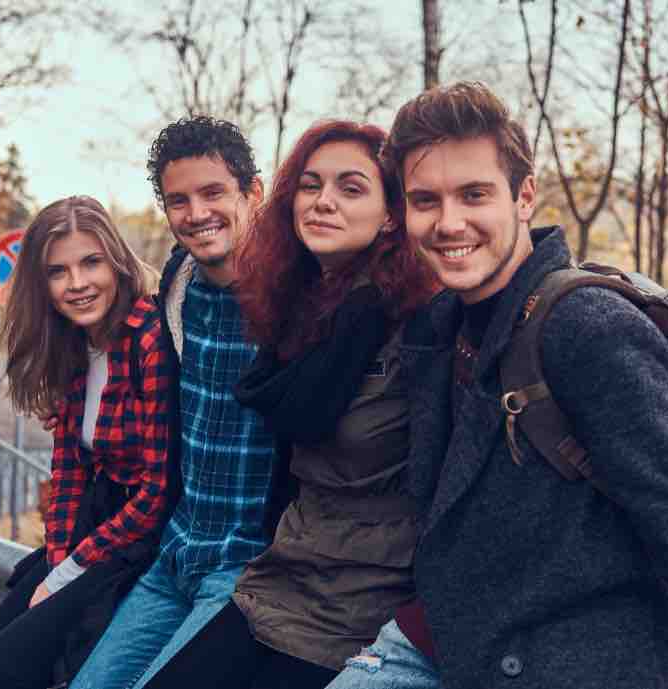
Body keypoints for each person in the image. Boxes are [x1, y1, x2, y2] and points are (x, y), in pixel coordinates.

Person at [333, 81, 668, 689]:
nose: (449, 223)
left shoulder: (589, 329)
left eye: (474, 194)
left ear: (524, 196)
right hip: (443, 637)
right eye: (426, 200)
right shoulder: (442, 323)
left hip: (569, 658)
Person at [141, 120, 434, 689]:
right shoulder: (296, 311)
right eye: (310, 185)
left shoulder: (418, 323)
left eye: (350, 188)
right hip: (283, 579)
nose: (323, 201)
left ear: (392, 212)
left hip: (367, 602)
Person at [69, 116, 291, 689]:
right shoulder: (179, 284)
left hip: (247, 568)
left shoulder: (293, 294)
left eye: (213, 192)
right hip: (176, 554)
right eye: (178, 200)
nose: (196, 214)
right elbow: (118, 352)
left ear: (253, 193)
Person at [0, 195, 171, 689]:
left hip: (135, 538)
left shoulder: (149, 340)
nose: (77, 283)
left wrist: (68, 572)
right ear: (42, 283)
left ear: (116, 261)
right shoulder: (74, 344)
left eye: (91, 262)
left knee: (8, 669)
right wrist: (56, 560)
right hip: (88, 527)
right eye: (59, 271)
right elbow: (70, 472)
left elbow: (158, 493)